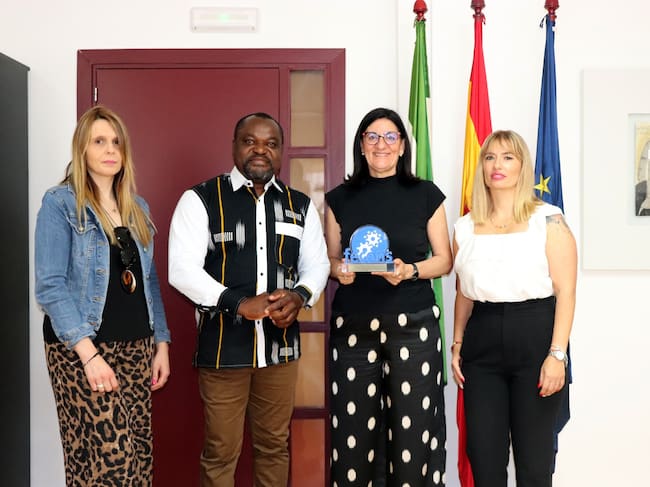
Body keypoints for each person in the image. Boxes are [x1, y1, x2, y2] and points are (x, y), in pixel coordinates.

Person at [168, 112, 329, 487]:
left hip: (279, 352)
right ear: (234, 146)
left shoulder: (300, 205)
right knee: (221, 452)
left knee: (274, 447)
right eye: (250, 141)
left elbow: (318, 264)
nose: (260, 150)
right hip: (223, 351)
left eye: (271, 143)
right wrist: (238, 303)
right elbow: (181, 270)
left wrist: (299, 296)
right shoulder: (201, 199)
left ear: (281, 151)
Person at [35, 105, 171, 486]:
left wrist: (161, 343)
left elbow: (149, 280)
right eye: (99, 141)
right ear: (82, 149)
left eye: (116, 142)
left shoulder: (137, 208)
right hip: (82, 350)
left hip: (136, 348)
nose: (110, 149)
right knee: (109, 464)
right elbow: (49, 285)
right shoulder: (60, 204)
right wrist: (89, 355)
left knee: (138, 460)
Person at [325, 107, 452, 486]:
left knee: (414, 431)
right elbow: (330, 259)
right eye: (373, 136)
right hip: (353, 328)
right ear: (361, 145)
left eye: (390, 136)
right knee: (352, 433)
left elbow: (444, 260)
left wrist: (409, 270)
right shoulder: (339, 198)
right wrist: (339, 270)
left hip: (414, 326)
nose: (381, 144)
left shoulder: (426, 195)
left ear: (402, 147)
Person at [451, 130, 577, 487]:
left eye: (508, 157)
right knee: (485, 462)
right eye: (490, 157)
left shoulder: (549, 219)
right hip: (482, 345)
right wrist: (457, 343)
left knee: (534, 465)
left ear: (523, 166)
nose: (498, 164)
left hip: (536, 341)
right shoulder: (464, 228)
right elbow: (464, 293)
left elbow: (566, 291)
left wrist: (557, 355)